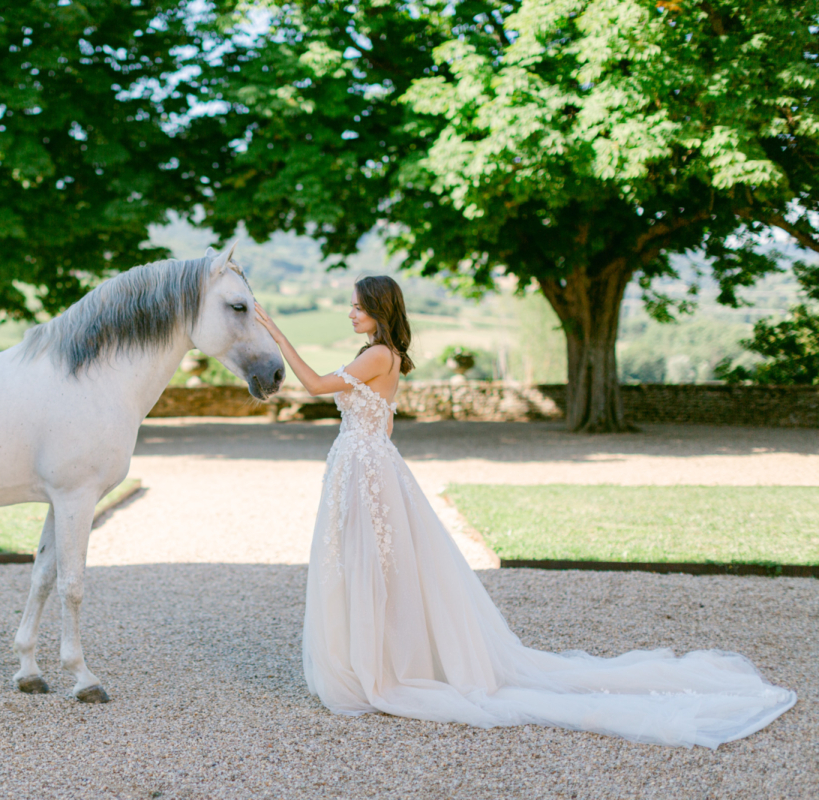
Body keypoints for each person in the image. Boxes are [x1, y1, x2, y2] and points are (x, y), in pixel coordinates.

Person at [254, 275, 795, 749]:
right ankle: (386, 657)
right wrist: (365, 446)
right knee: (379, 564)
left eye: (357, 306)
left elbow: (319, 386)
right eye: (350, 306)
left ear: (379, 309)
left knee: (372, 563)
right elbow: (384, 422)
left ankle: (379, 666)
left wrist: (277, 334)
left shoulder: (376, 353)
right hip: (370, 464)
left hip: (365, 467)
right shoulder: (386, 356)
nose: (350, 312)